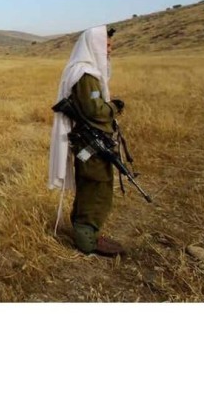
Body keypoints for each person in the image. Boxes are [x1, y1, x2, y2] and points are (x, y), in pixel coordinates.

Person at [48, 25, 126, 256]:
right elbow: (95, 111)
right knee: (95, 184)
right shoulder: (85, 75)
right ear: (94, 45)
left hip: (93, 141)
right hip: (90, 143)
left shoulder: (85, 72)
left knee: (93, 184)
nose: (109, 50)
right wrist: (114, 107)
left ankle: (88, 232)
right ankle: (87, 239)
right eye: (106, 45)